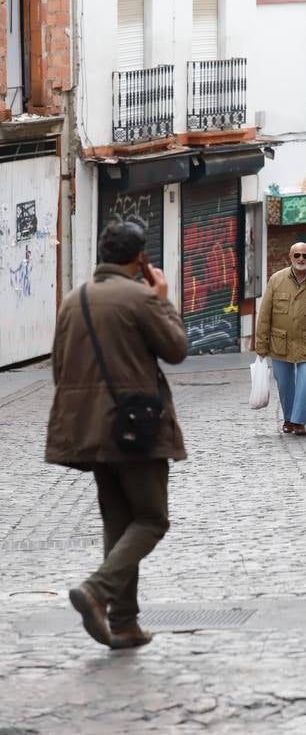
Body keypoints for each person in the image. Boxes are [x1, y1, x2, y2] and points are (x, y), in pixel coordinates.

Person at [45, 219, 188, 649]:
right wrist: (162, 300)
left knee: (118, 521)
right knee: (151, 518)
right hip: (135, 427)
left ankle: (124, 623)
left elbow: (58, 368)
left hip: (91, 429)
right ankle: (97, 591)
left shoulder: (74, 300)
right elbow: (176, 349)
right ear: (139, 258)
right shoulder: (141, 297)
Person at [256, 241, 306, 436]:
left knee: (305, 380)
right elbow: (265, 315)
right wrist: (261, 345)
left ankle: (299, 421)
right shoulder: (276, 280)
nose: (301, 259)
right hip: (279, 342)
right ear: (290, 258)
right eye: (297, 255)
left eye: (305, 256)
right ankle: (289, 419)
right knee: (284, 383)